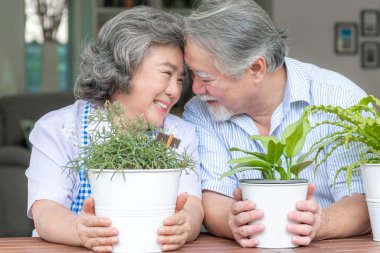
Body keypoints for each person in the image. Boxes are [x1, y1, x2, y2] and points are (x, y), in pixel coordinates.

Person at [182, 0, 370, 248]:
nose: (195, 89)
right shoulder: (199, 111)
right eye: (192, 74)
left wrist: (320, 223)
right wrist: (233, 221)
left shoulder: (339, 99)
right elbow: (213, 197)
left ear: (256, 68)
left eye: (205, 77)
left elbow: (364, 199)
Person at [26, 6, 203, 252]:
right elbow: (46, 210)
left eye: (180, 79)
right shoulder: (62, 130)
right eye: (166, 73)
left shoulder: (173, 137)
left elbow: (192, 203)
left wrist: (187, 224)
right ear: (124, 68)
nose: (175, 91)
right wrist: (79, 229)